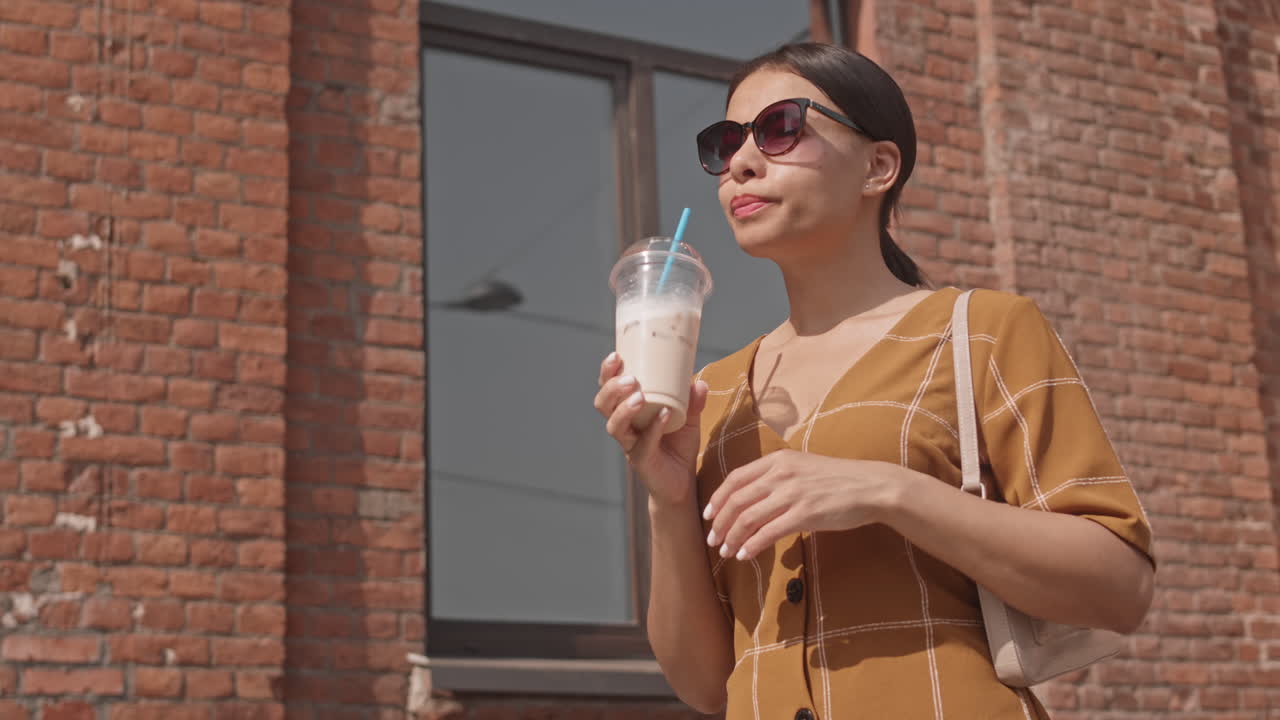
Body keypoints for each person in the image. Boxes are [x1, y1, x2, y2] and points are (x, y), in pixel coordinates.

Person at [594, 43, 1155, 719]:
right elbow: (708, 685)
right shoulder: (709, 395)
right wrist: (668, 498)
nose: (740, 162)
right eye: (724, 142)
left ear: (877, 166)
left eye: (779, 128)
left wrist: (888, 491)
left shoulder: (980, 330)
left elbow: (1120, 588)